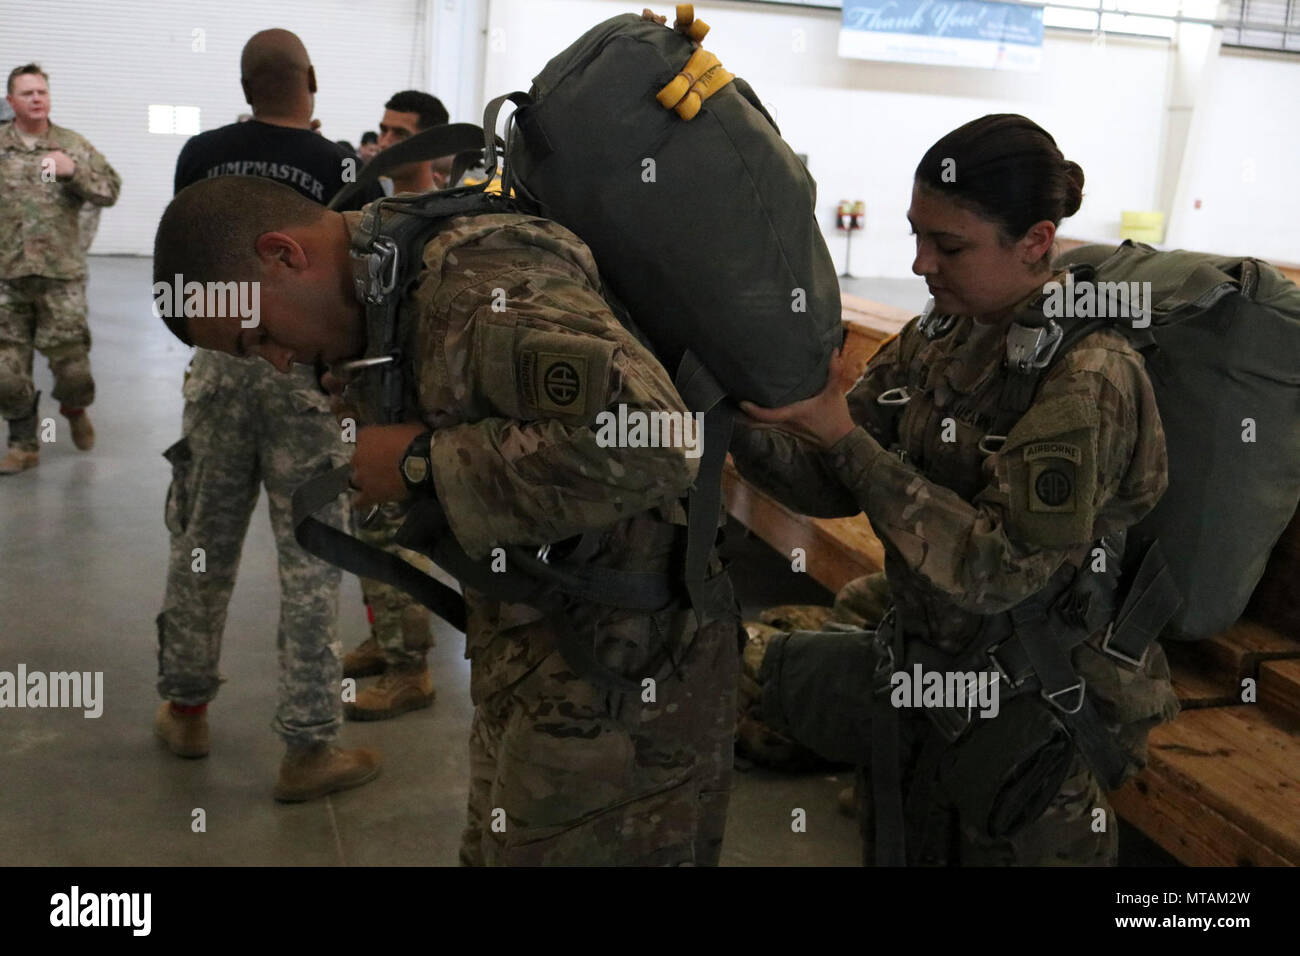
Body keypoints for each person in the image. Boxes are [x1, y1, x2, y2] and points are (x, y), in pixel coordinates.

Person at [151, 174, 740, 866]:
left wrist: (422, 464)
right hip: (539, 649)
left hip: (629, 682)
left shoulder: (479, 290)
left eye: (258, 338)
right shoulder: (389, 282)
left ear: (283, 254)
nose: (279, 363)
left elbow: (663, 438)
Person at [732, 114, 1179, 866]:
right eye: (916, 236)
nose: (920, 263)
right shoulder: (944, 331)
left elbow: (997, 570)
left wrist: (842, 437)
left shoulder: (1088, 377)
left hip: (1031, 720)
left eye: (949, 245)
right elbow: (833, 478)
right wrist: (742, 424)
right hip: (926, 687)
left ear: (1036, 241)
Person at [153, 28, 383, 802]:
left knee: (201, 539)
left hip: (220, 365)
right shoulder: (345, 165)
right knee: (313, 554)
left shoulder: (201, 154)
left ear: (245, 86)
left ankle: (186, 708)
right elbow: (362, 281)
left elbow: (185, 265)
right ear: (309, 80)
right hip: (304, 369)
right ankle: (309, 746)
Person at [0, 63, 120, 474]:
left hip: (61, 277)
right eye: (27, 93)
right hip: (6, 278)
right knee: (5, 372)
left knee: (73, 370)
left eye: (42, 92)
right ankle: (24, 442)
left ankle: (74, 408)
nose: (36, 98)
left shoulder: (70, 145)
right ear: (11, 101)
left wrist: (75, 173)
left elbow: (110, 190)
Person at [375, 90, 451, 194]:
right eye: (384, 131)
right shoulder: (373, 207)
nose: (384, 143)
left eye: (401, 134)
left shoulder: (446, 209)